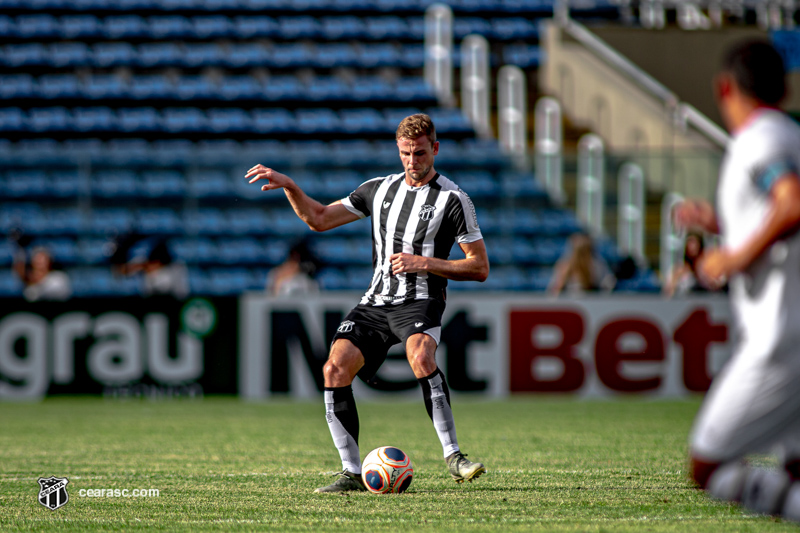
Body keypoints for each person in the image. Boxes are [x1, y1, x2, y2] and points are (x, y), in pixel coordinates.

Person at [246, 113, 490, 493]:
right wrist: (290, 186)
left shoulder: (454, 200)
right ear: (398, 150)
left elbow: (479, 267)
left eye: (421, 153)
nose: (413, 161)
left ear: (435, 149)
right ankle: (351, 473)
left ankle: (454, 457)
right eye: (406, 153)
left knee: (422, 357)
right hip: (375, 302)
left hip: (420, 300)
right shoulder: (378, 190)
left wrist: (424, 262)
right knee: (333, 370)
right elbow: (320, 219)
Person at [675, 40, 800, 521]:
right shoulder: (788, 134)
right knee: (793, 469)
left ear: (723, 87)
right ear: (785, 87)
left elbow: (790, 203)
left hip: (780, 338)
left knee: (709, 464)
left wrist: (733, 256)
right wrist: (722, 224)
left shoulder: (759, 138)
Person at [547, 232, 615, 296]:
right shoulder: (564, 265)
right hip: (570, 302)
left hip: (591, 302)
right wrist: (561, 280)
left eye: (585, 251)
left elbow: (608, 284)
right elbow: (553, 292)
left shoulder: (597, 265)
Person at [662, 232, 709, 297]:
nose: (692, 247)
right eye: (690, 243)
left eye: (695, 243)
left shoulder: (707, 268)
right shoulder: (678, 269)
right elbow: (667, 293)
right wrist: (675, 278)